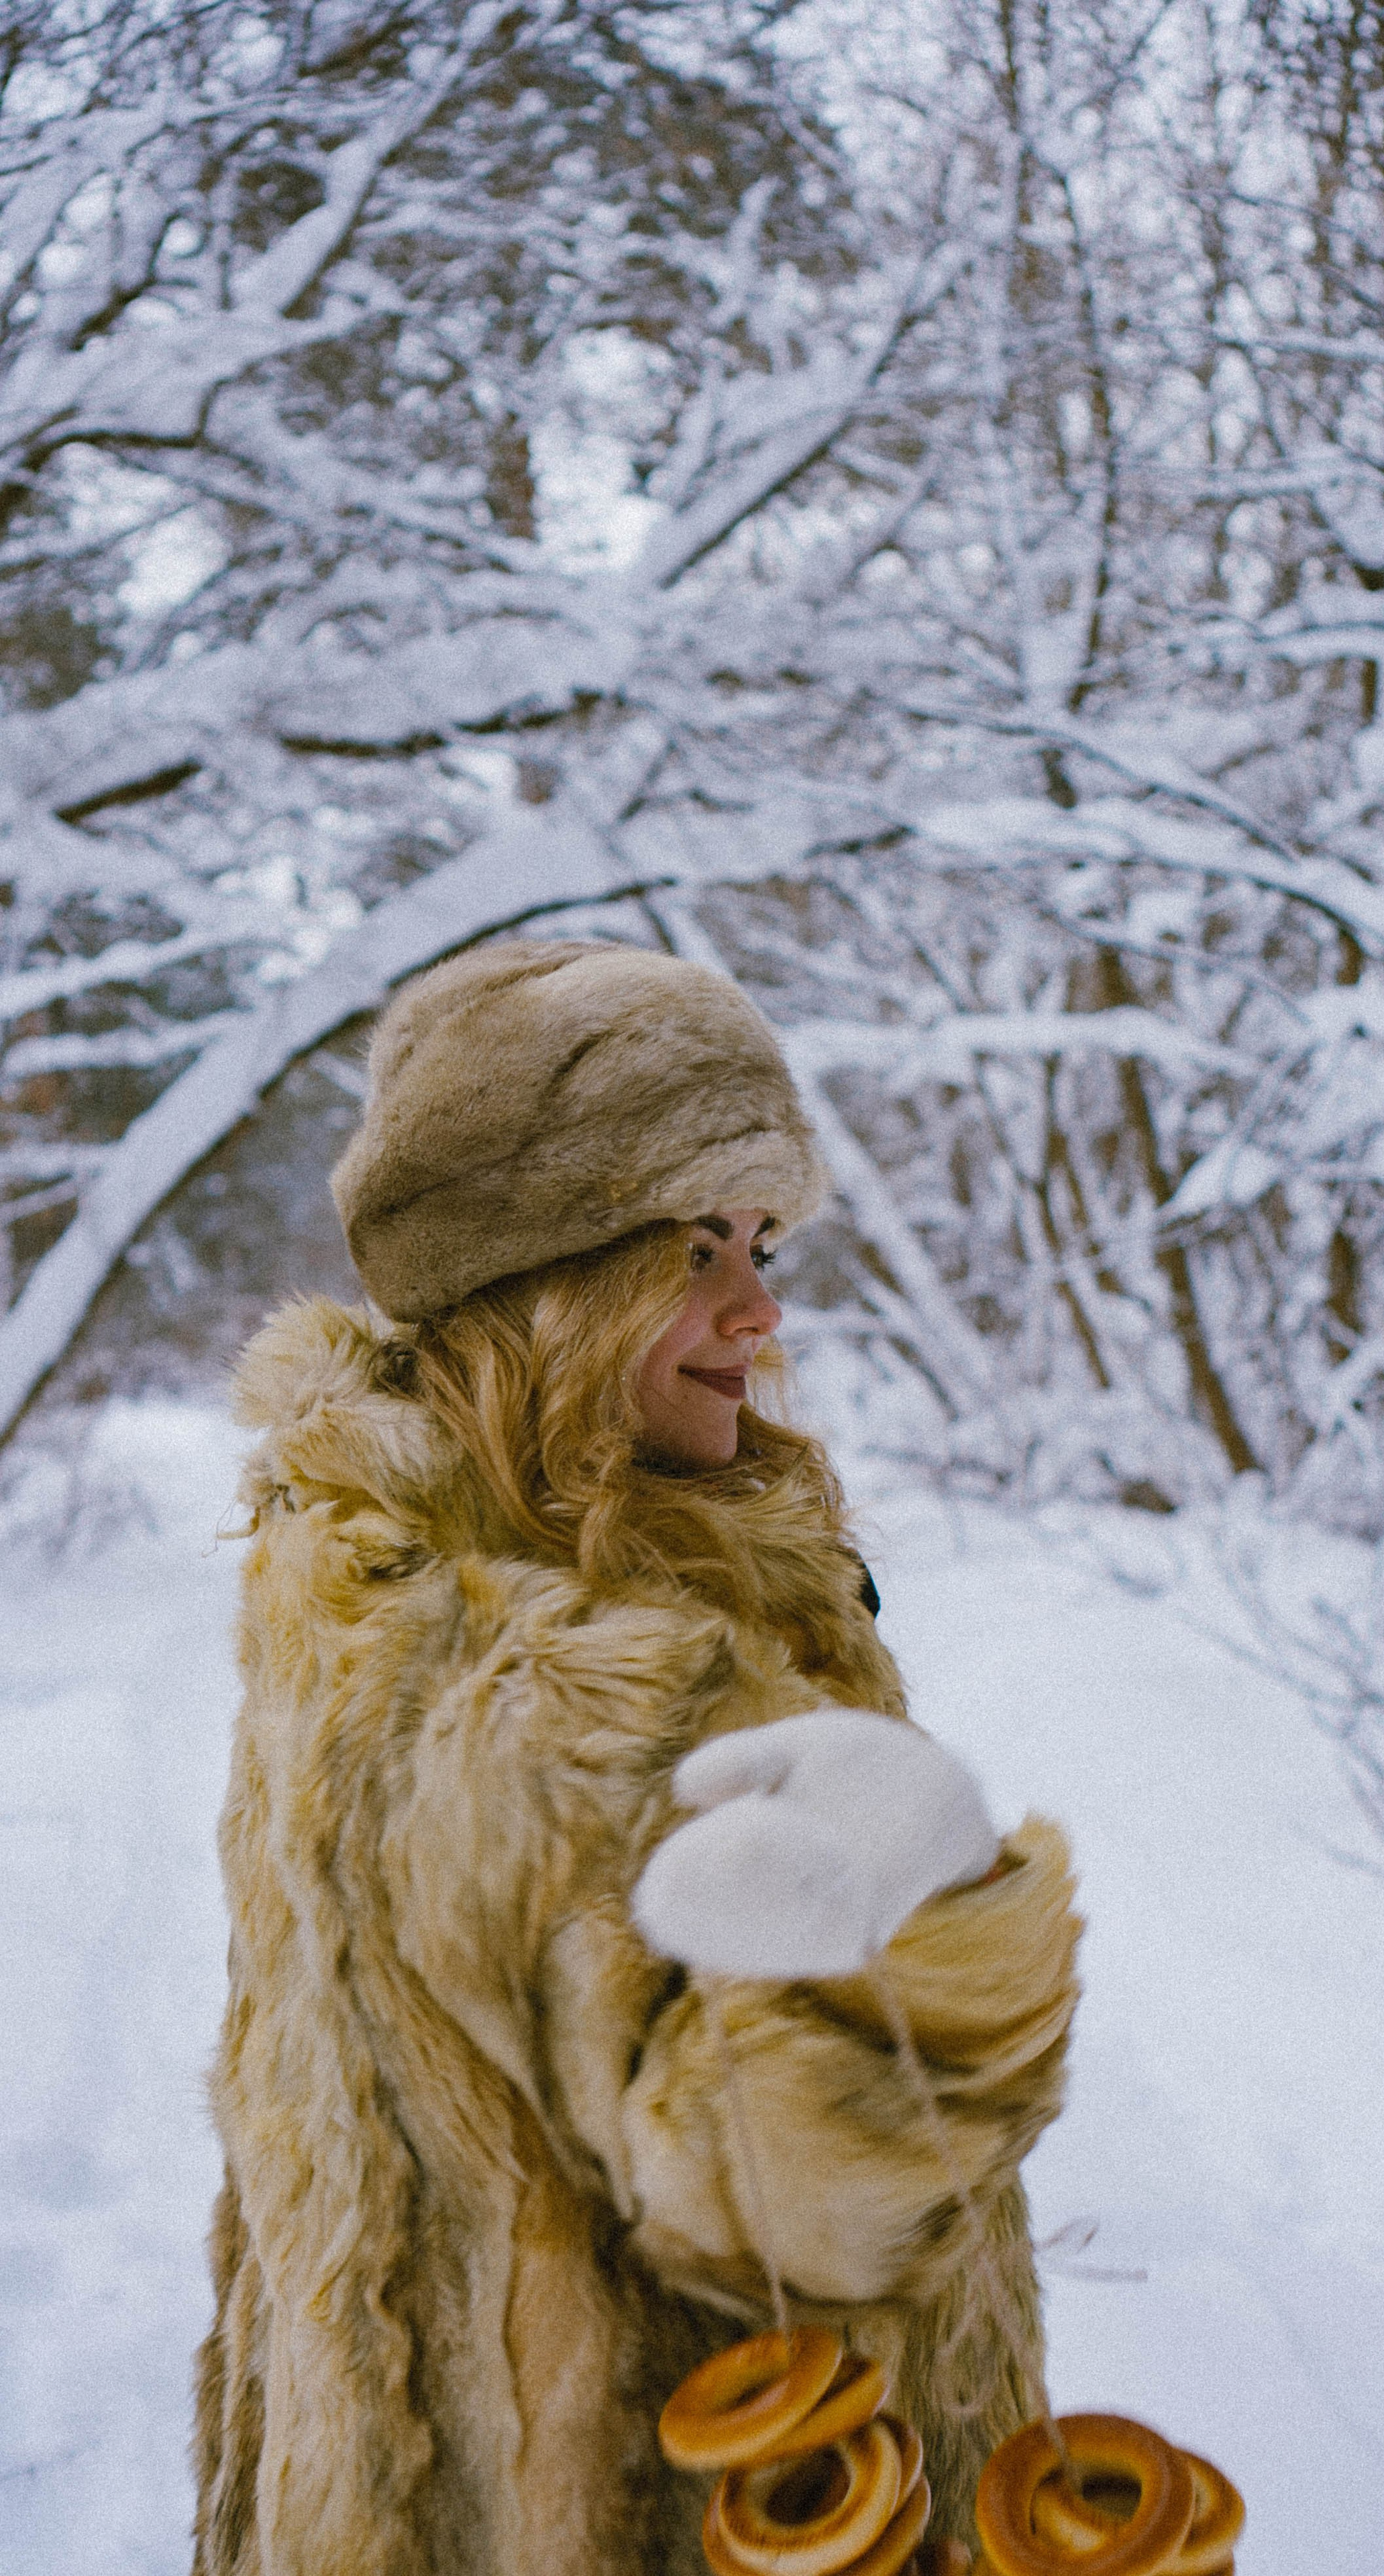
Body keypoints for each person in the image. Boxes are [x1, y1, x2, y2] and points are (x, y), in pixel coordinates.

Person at [191, 938, 1080, 2576]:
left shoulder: (384, 1568)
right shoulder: (531, 1687)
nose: (760, 1306)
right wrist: (939, 1950)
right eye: (691, 1251)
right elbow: (793, 2172)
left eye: (757, 1238)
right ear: (535, 1280)